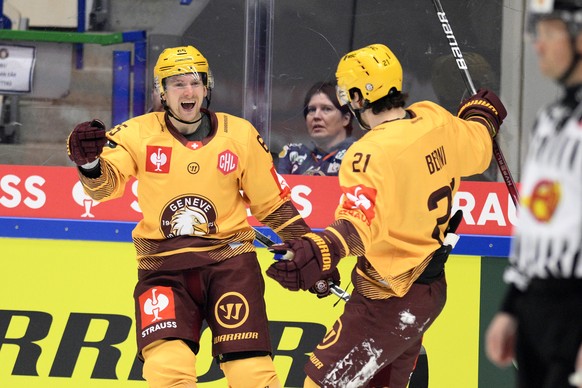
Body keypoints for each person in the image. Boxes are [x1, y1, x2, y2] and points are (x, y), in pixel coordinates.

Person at [65, 45, 312, 388]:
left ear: (207, 87)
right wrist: (89, 164)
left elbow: (272, 203)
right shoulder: (136, 134)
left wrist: (310, 249)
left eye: (195, 82)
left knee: (251, 372)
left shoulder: (239, 135)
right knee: (167, 368)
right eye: (178, 84)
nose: (189, 91)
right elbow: (105, 188)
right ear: (161, 92)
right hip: (163, 269)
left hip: (230, 265)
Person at [266, 43, 506, 387]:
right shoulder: (434, 118)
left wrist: (318, 252)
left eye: (345, 94)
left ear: (358, 98)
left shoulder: (370, 153)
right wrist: (482, 115)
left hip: (389, 300)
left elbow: (356, 224)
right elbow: (479, 148)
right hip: (428, 290)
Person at [485, 1, 582, 387]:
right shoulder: (551, 120)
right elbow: (539, 222)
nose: (538, 45)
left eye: (550, 33)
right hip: (537, 308)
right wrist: (512, 307)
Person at [277, 81, 355, 176]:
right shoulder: (293, 154)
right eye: (312, 110)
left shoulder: (359, 154)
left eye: (327, 109)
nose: (316, 116)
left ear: (346, 119)